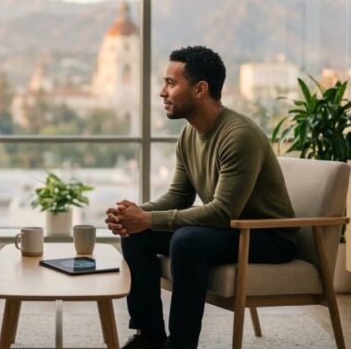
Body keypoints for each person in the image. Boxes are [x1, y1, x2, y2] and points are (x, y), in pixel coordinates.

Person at [105, 46, 297, 349]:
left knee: (187, 240)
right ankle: (150, 336)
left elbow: (222, 212)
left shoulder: (239, 135)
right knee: (136, 235)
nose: (161, 92)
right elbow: (179, 195)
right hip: (231, 230)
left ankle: (181, 345)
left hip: (266, 236)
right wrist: (135, 215)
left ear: (200, 89)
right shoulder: (189, 134)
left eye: (171, 83)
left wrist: (147, 218)